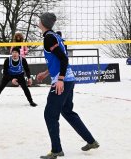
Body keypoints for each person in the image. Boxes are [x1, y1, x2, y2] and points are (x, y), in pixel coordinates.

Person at [36, 12, 99, 159]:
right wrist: (46, 73)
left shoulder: (49, 38)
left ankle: (56, 150)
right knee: (67, 112)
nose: (38, 22)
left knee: (50, 115)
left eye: (40, 20)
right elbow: (59, 58)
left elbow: (63, 58)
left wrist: (60, 79)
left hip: (62, 80)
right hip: (69, 79)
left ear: (43, 22)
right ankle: (91, 141)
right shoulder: (55, 36)